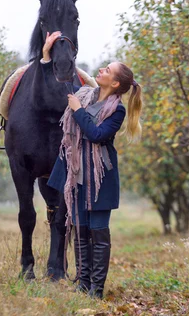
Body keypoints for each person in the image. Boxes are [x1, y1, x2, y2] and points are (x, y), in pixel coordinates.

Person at [45, 33, 143, 299]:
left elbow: (97, 135)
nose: (101, 69)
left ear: (115, 82)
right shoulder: (83, 93)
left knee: (98, 234)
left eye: (107, 69)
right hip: (77, 177)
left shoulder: (117, 110)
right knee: (81, 231)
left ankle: (96, 291)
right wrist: (46, 55)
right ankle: (82, 283)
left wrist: (77, 111)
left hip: (101, 179)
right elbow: (55, 86)